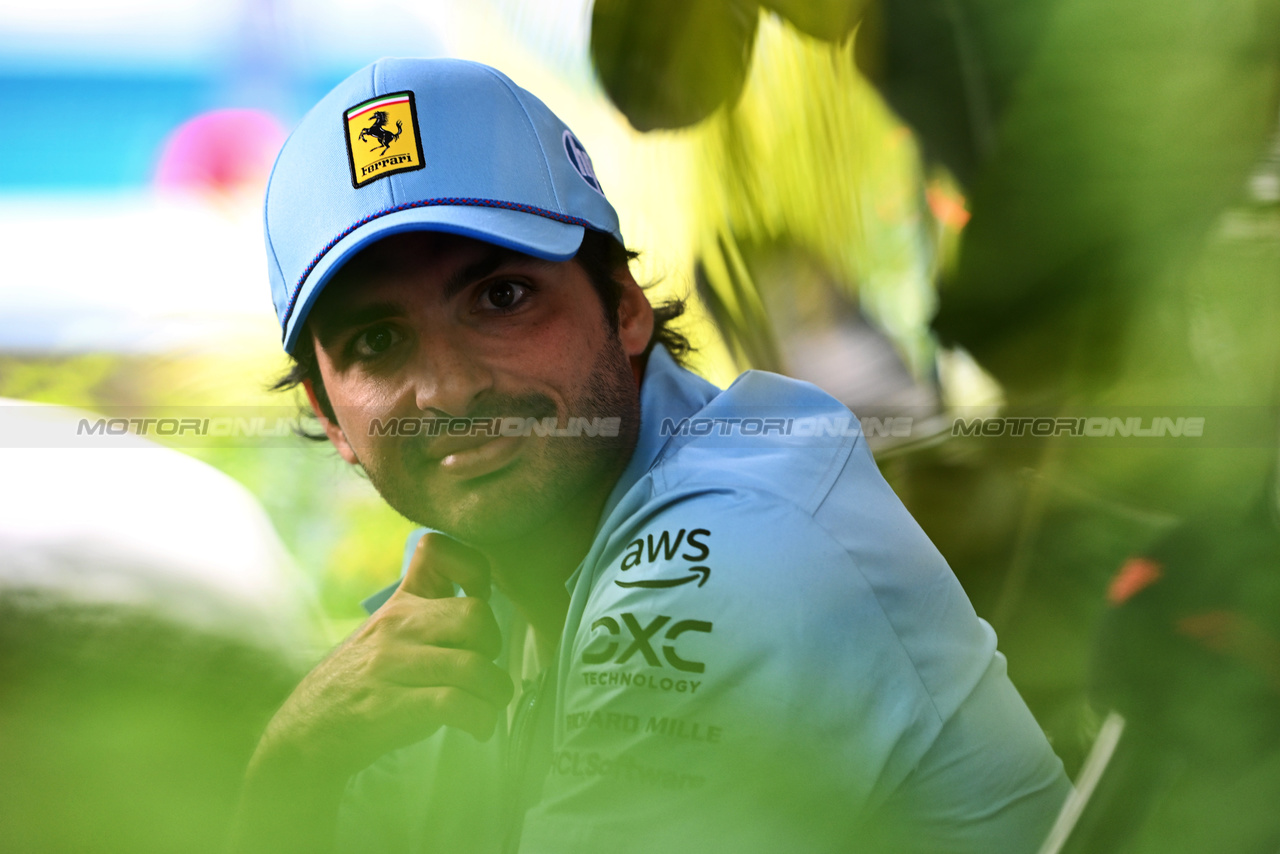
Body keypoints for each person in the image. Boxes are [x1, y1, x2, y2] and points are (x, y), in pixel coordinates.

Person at [234, 57, 1071, 853]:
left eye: (502, 296)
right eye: (377, 342)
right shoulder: (453, 608)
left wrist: (285, 776)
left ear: (625, 307)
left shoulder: (728, 549)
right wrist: (298, 759)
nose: (449, 390)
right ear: (331, 416)